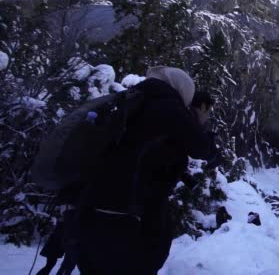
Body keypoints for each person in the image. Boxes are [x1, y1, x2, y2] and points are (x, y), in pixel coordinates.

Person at [70, 66, 218, 274]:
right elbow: (203, 149)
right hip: (132, 212)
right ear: (181, 89)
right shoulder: (169, 107)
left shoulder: (129, 100)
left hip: (91, 205)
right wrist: (202, 124)